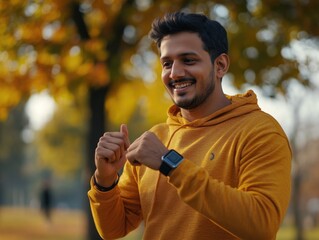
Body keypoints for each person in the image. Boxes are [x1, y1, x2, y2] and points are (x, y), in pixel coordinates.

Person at [88, 11, 291, 240]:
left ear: (220, 65)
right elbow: (114, 228)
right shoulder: (155, 139)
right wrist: (104, 180)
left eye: (188, 60)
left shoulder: (260, 131)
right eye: (167, 63)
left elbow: (261, 224)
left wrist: (170, 164)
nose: (175, 73)